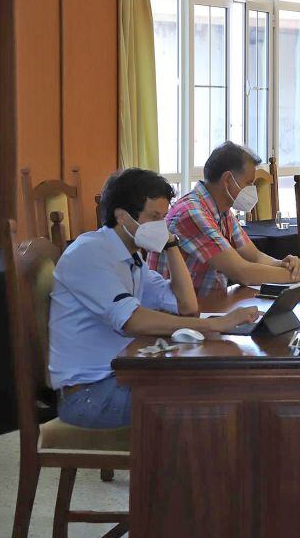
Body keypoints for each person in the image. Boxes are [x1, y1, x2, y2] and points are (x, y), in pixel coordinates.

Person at [49, 168, 258, 429]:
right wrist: (216, 324)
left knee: (213, 388)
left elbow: (188, 307)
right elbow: (133, 321)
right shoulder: (90, 254)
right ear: (122, 217)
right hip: (90, 395)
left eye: (164, 217)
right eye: (154, 218)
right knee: (205, 405)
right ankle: (181, 469)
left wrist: (171, 244)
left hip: (124, 376)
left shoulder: (133, 258)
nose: (162, 226)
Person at [149, 141, 300, 298]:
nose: (252, 190)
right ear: (227, 180)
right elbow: (242, 272)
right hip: (178, 317)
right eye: (249, 183)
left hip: (209, 306)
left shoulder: (221, 211)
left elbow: (255, 256)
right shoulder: (192, 213)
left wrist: (287, 264)